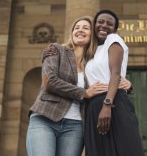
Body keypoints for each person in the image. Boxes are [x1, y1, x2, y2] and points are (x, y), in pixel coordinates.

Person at [26, 16, 131, 156]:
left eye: (85, 28)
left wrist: (128, 85)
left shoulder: (94, 63)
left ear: (92, 34)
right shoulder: (56, 50)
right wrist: (84, 93)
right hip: (45, 118)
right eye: (77, 28)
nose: (80, 30)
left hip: (75, 126)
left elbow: (110, 79)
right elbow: (50, 82)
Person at [83, 9, 145, 156]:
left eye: (109, 24)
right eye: (100, 22)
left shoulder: (113, 40)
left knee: (126, 150)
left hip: (113, 103)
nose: (104, 25)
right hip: (93, 108)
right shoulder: (91, 52)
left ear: (114, 29)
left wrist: (107, 105)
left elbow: (115, 73)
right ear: (94, 25)